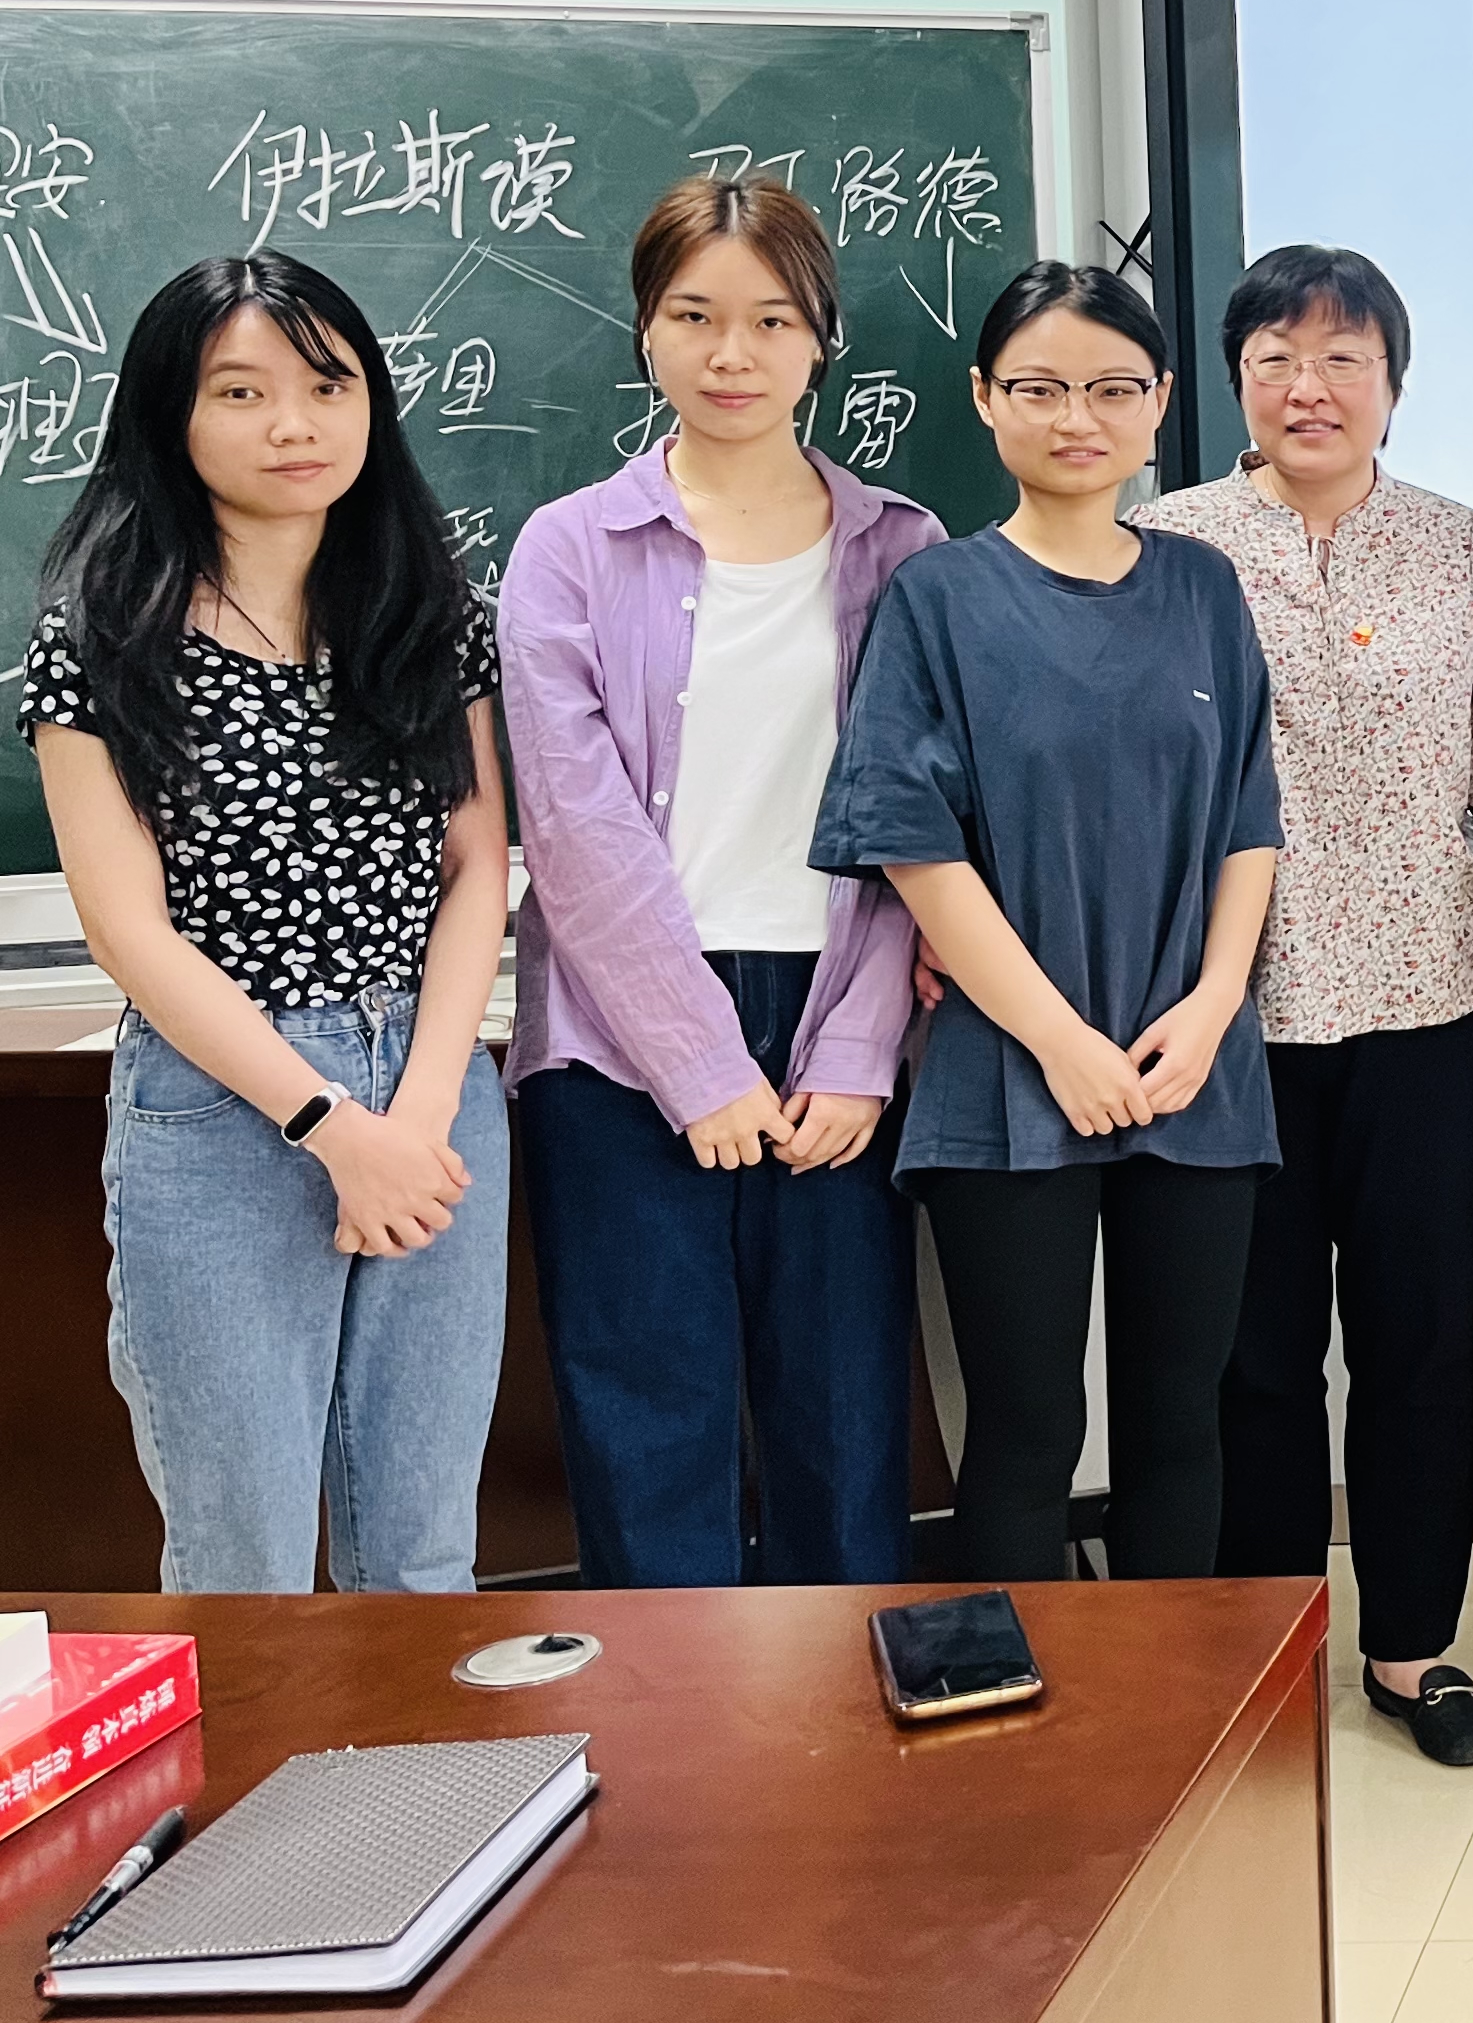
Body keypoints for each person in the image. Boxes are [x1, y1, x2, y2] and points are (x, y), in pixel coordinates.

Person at [1142, 244, 1473, 1770]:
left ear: (1393, 381)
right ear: (1234, 381)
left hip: (1429, 1009)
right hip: (1227, 1022)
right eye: (1275, 357)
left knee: (1417, 1343)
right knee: (1249, 1361)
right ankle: (1267, 1656)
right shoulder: (1167, 546)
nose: (1308, 387)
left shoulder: (1463, 549)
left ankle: (1410, 1649)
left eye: (1342, 358)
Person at [23, 256, 508, 1591]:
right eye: (240, 392)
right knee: (246, 1562)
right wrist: (333, 1128)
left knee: (423, 1555)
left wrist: (420, 1112)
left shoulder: (429, 615)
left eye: (327, 386)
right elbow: (128, 932)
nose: (294, 424)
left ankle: (419, 1760)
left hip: (434, 1085)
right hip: (225, 1104)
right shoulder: (101, 637)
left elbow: (478, 863)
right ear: (169, 415)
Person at [495, 176, 940, 1590]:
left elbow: (921, 826)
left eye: (770, 320)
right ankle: (674, 1732)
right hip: (615, 1042)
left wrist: (861, 1053)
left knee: (845, 1428)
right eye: (693, 316)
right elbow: (575, 831)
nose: (731, 353)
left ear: (822, 338)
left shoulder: (905, 549)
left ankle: (844, 1725)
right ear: (646, 331)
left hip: (836, 1022)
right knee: (647, 1426)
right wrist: (697, 1065)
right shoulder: (569, 547)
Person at [813, 262, 1281, 1580]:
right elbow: (912, 843)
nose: (1079, 418)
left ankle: (1173, 1704)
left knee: (1181, 1426)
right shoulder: (939, 596)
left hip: (1193, 1069)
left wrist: (1212, 1010)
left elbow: (1251, 819)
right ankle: (1024, 1708)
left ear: (1160, 404)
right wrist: (1060, 1042)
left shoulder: (1203, 587)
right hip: (1008, 1074)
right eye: (1041, 388)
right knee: (1025, 1435)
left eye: (1113, 389)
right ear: (985, 399)